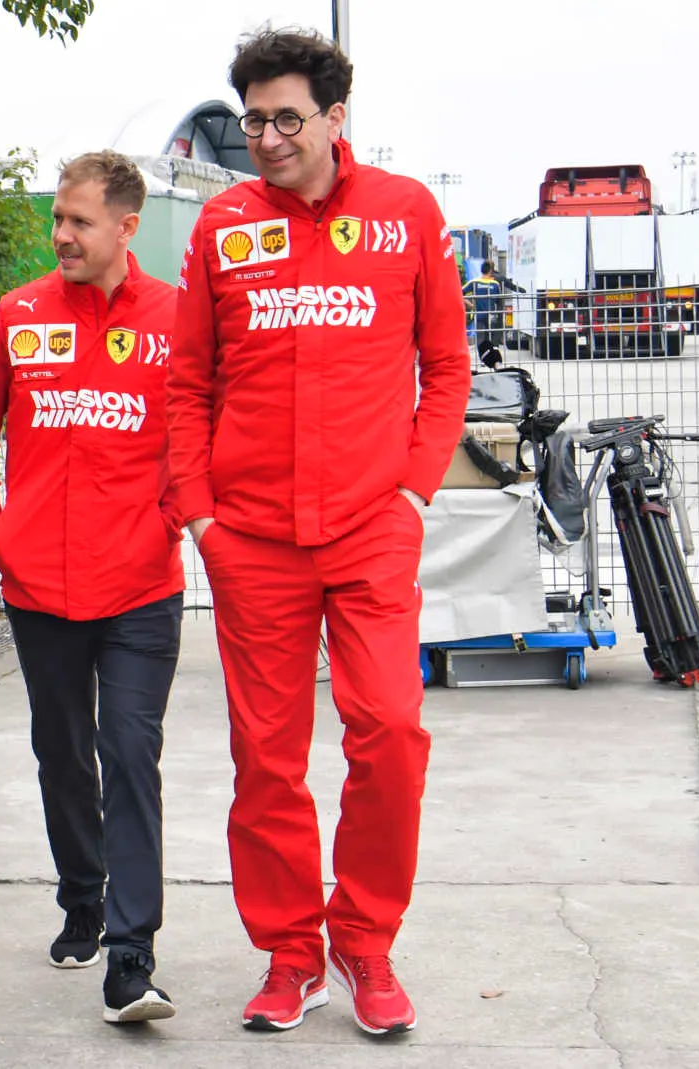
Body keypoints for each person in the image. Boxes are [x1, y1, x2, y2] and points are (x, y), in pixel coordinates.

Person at [166, 29, 470, 1037]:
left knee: (390, 730)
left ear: (337, 119)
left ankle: (367, 943)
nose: (265, 137)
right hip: (251, 536)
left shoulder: (405, 215)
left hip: (372, 527)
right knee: (266, 755)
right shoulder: (222, 226)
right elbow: (188, 385)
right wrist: (202, 513)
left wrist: (416, 494)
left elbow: (446, 367)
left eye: (285, 118)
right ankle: (291, 951)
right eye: (251, 119)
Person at [0, 150, 184, 1025]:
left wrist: (167, 519)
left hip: (141, 587)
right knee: (63, 752)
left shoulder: (177, 319)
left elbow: (206, 435)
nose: (62, 236)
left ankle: (131, 952)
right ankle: (82, 894)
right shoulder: (18, 317)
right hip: (38, 584)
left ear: (127, 227)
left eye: (80, 221)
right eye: (57, 218)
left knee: (129, 752)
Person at [464, 260, 505, 359]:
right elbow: (499, 301)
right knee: (489, 338)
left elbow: (459, 292)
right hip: (491, 316)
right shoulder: (495, 284)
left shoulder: (474, 282)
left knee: (480, 339)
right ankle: (490, 358)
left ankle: (482, 357)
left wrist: (469, 304)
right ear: (490, 271)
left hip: (478, 315)